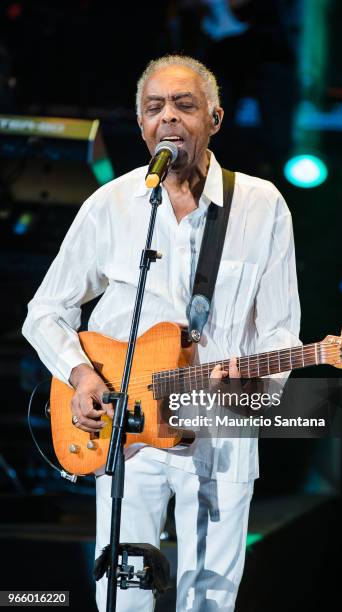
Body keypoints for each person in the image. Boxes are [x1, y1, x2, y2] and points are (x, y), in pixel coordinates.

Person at [22, 55, 300, 612]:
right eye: (155, 108)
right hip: (129, 435)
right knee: (122, 597)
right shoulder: (113, 203)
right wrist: (79, 376)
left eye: (184, 105)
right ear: (142, 123)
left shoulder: (261, 205)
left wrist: (249, 400)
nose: (168, 118)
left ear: (214, 119)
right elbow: (44, 310)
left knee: (209, 601)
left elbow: (279, 333)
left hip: (219, 436)